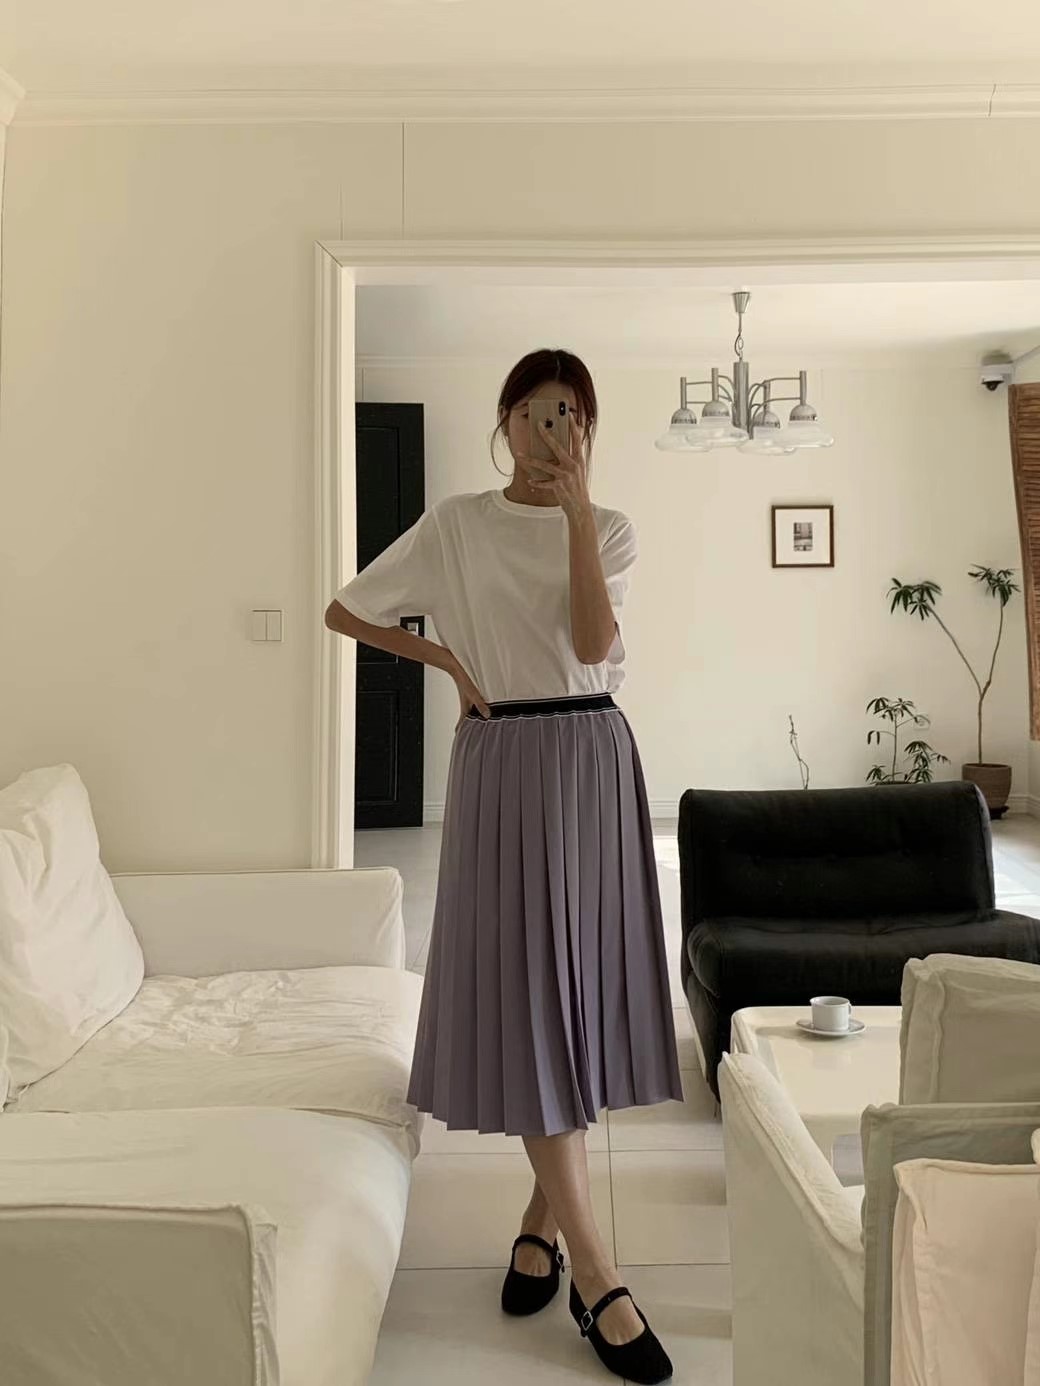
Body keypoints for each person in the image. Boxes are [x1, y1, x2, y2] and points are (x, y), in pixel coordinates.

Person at [325, 349, 681, 1385]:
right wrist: (447, 659)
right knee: (531, 995)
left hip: (592, 753)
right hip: (501, 758)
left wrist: (576, 517)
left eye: (565, 413)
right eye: (529, 412)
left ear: (586, 427)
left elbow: (593, 642)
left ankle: (540, 1227)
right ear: (504, 421)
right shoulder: (454, 525)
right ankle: (598, 1276)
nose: (545, 431)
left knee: (581, 991)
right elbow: (348, 610)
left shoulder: (610, 528)